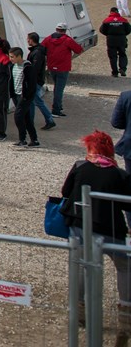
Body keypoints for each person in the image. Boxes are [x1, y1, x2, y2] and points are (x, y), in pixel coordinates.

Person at [59, 131, 131, 343]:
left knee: (81, 265)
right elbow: (128, 203)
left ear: (90, 148)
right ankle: (125, 313)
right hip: (111, 230)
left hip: (80, 227)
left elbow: (65, 191)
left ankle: (80, 310)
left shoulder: (80, 166)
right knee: (125, 267)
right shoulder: (120, 175)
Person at [41, 23, 83, 117]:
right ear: (65, 30)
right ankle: (56, 109)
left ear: (56, 29)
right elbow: (78, 50)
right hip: (63, 68)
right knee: (59, 89)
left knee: (57, 88)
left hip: (52, 67)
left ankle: (58, 106)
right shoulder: (67, 40)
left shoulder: (48, 38)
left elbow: (41, 48)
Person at [9, 47, 39, 147]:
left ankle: (22, 139)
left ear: (19, 56)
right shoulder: (13, 66)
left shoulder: (27, 67)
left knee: (18, 116)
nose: (11, 59)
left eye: (12, 57)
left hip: (24, 96)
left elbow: (31, 84)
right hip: (16, 95)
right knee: (26, 118)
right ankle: (34, 140)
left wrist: (26, 96)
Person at [27, 32, 56, 131]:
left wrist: (30, 79)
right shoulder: (38, 51)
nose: (27, 41)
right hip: (36, 80)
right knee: (32, 101)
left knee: (37, 101)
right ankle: (30, 120)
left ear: (31, 40)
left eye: (28, 39)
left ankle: (49, 119)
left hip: (35, 80)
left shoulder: (37, 52)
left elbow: (35, 68)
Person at [101, 7, 131, 77]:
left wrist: (109, 34)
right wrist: (123, 34)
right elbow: (129, 30)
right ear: (118, 12)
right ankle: (123, 68)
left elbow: (102, 30)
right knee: (122, 54)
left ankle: (115, 72)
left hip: (111, 40)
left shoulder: (107, 20)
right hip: (121, 40)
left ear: (110, 12)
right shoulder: (124, 20)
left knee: (112, 57)